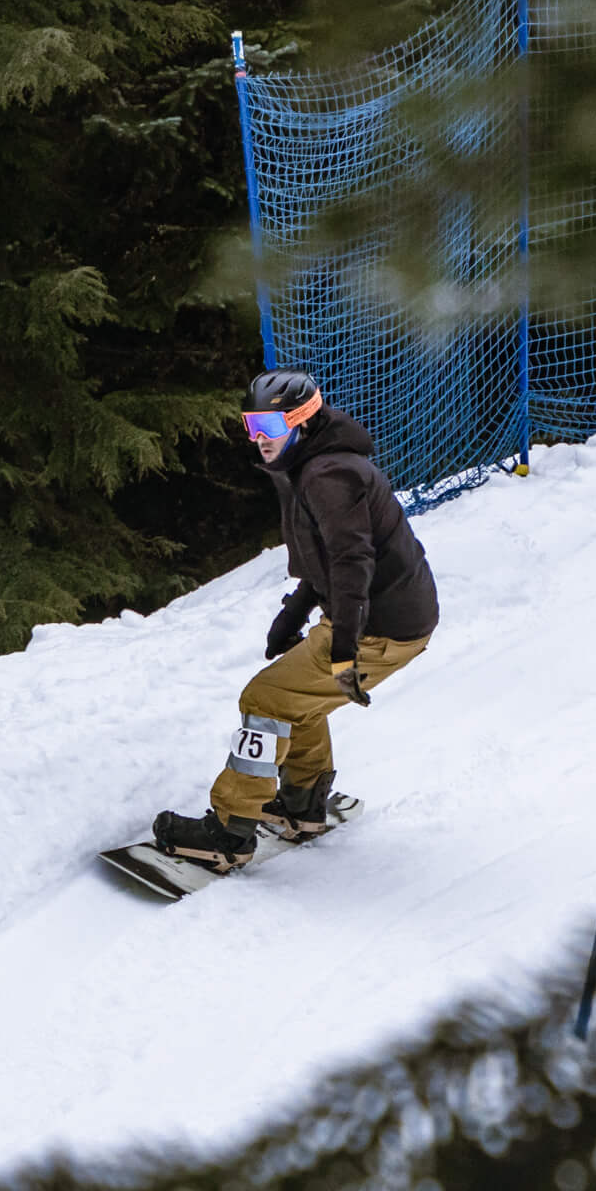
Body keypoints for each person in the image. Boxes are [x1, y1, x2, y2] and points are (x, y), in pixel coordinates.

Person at [150, 368, 439, 871]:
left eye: (271, 427)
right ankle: (302, 806)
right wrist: (295, 613)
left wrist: (345, 649)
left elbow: (352, 563)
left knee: (264, 699)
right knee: (294, 698)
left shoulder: (327, 476)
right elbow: (325, 559)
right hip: (380, 618)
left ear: (302, 423)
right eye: (251, 425)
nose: (260, 439)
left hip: (378, 628)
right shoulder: (315, 466)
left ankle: (229, 833)